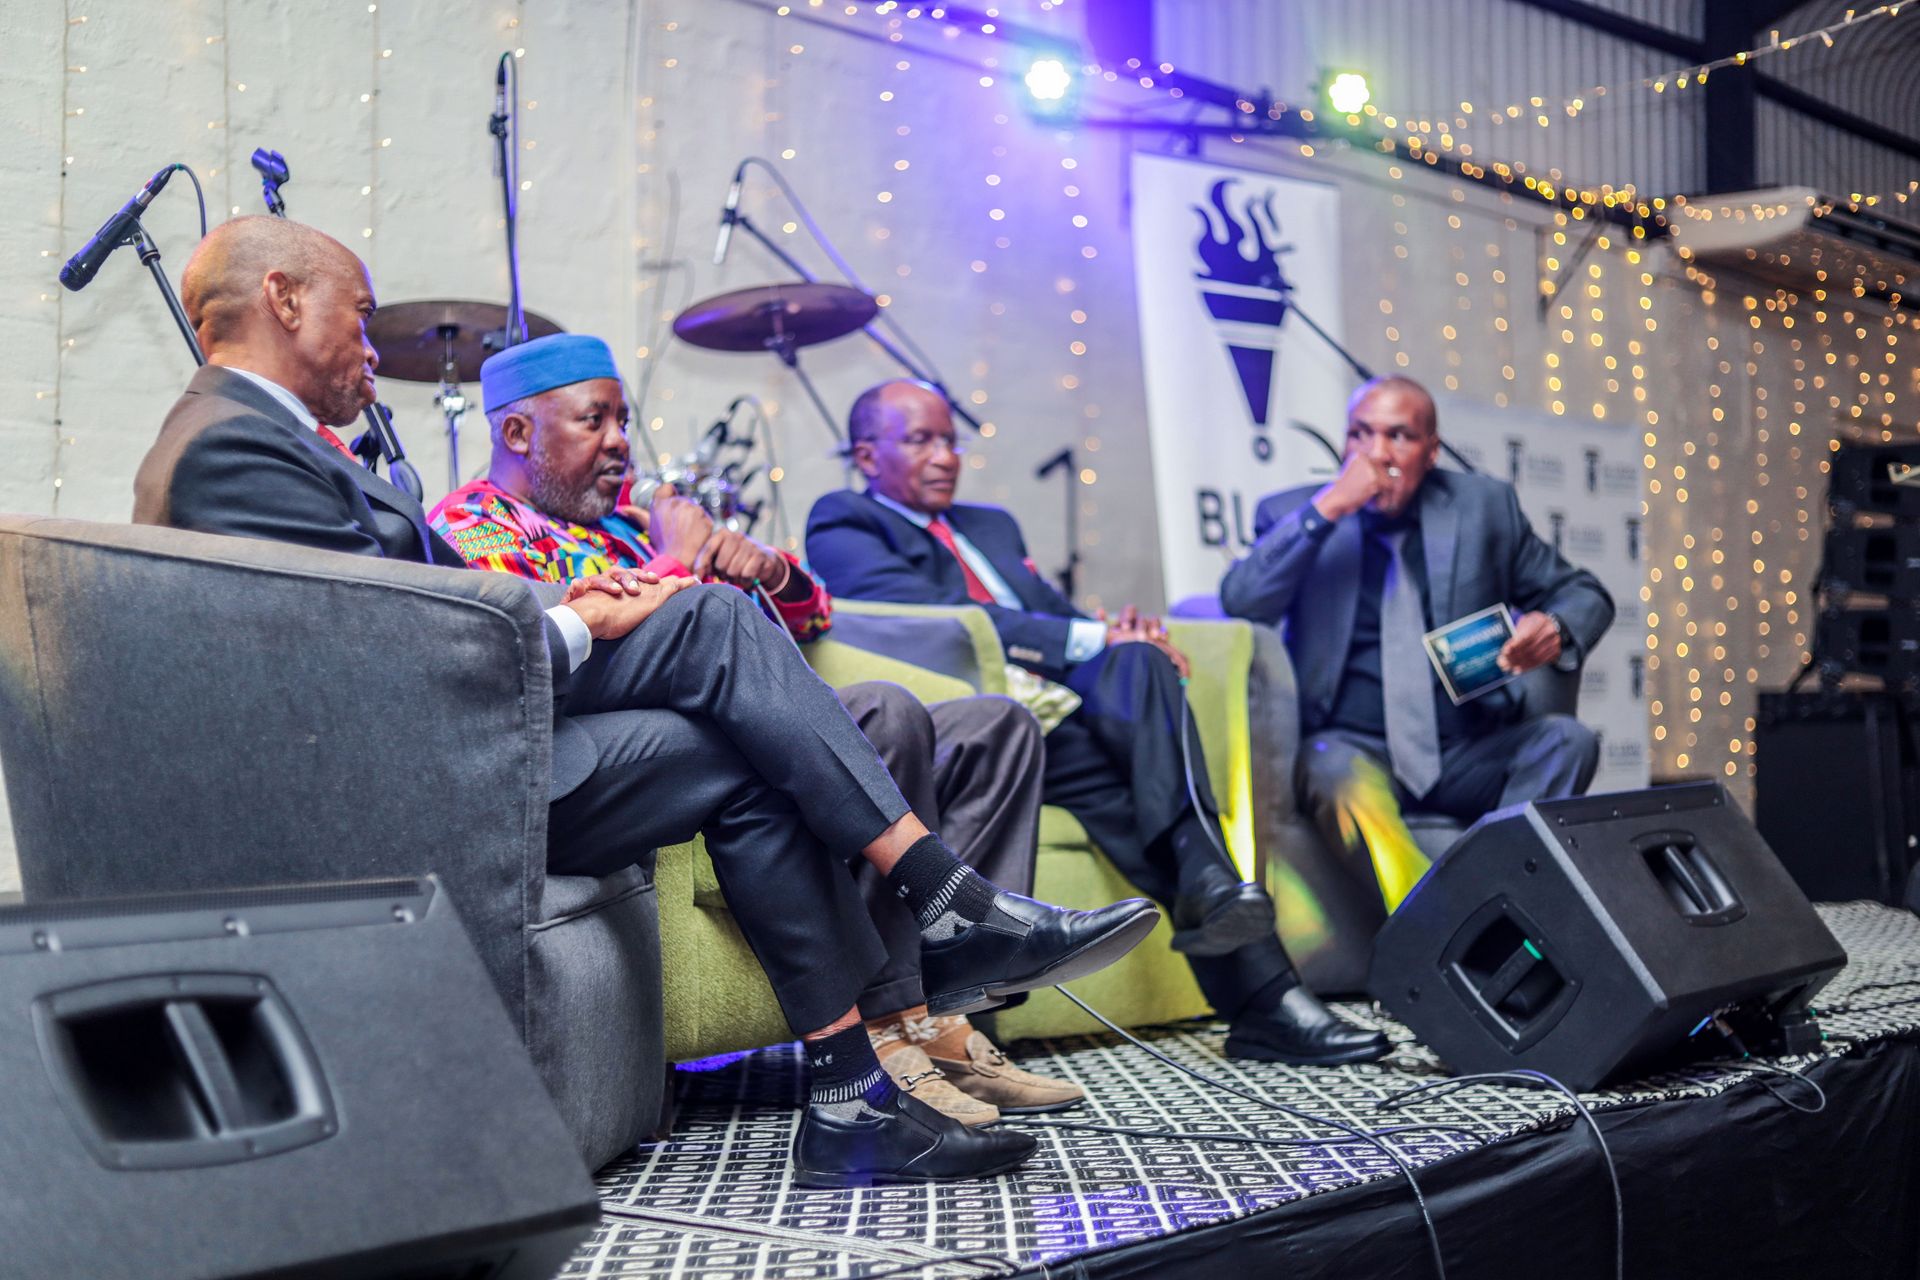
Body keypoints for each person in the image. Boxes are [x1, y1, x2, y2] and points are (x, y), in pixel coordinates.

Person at [131, 216, 1160, 1188]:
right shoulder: (231, 448)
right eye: (359, 314)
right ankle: (951, 903)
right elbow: (385, 655)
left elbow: (417, 618)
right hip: (428, 775)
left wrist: (607, 599)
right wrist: (589, 617)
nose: (369, 343)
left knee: (741, 733)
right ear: (284, 299)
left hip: (466, 729)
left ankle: (854, 1094)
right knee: (708, 622)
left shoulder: (265, 440)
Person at [427, 332, 1081, 1124]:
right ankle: (916, 980)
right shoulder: (469, 529)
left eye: (623, 421)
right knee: (853, 697)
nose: (620, 442)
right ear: (517, 432)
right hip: (652, 754)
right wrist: (677, 563)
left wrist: (765, 569)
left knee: (963, 721)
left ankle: (940, 1011)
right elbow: (554, 658)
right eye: (594, 421)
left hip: (751, 715)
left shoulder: (629, 524)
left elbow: (811, 616)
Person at [806, 379, 1390, 1067]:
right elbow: (942, 619)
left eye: (949, 440)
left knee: (1142, 666)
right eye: (920, 441)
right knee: (1151, 800)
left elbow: (1058, 614)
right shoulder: (845, 521)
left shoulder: (991, 526)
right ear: (868, 457)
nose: (944, 456)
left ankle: (1212, 891)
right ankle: (1263, 992)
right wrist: (1090, 640)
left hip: (1061, 719)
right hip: (984, 723)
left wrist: (1120, 635)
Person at [1219, 375, 1614, 915]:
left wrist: (1555, 624)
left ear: (1431, 450)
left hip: (1466, 748)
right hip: (1352, 748)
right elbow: (1242, 600)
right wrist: (1329, 508)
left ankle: (1497, 902)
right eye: (1360, 434)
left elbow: (1583, 592)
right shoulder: (1296, 512)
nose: (1377, 453)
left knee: (1569, 741)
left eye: (1399, 436)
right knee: (1338, 776)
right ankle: (1438, 927)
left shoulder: (1484, 508)